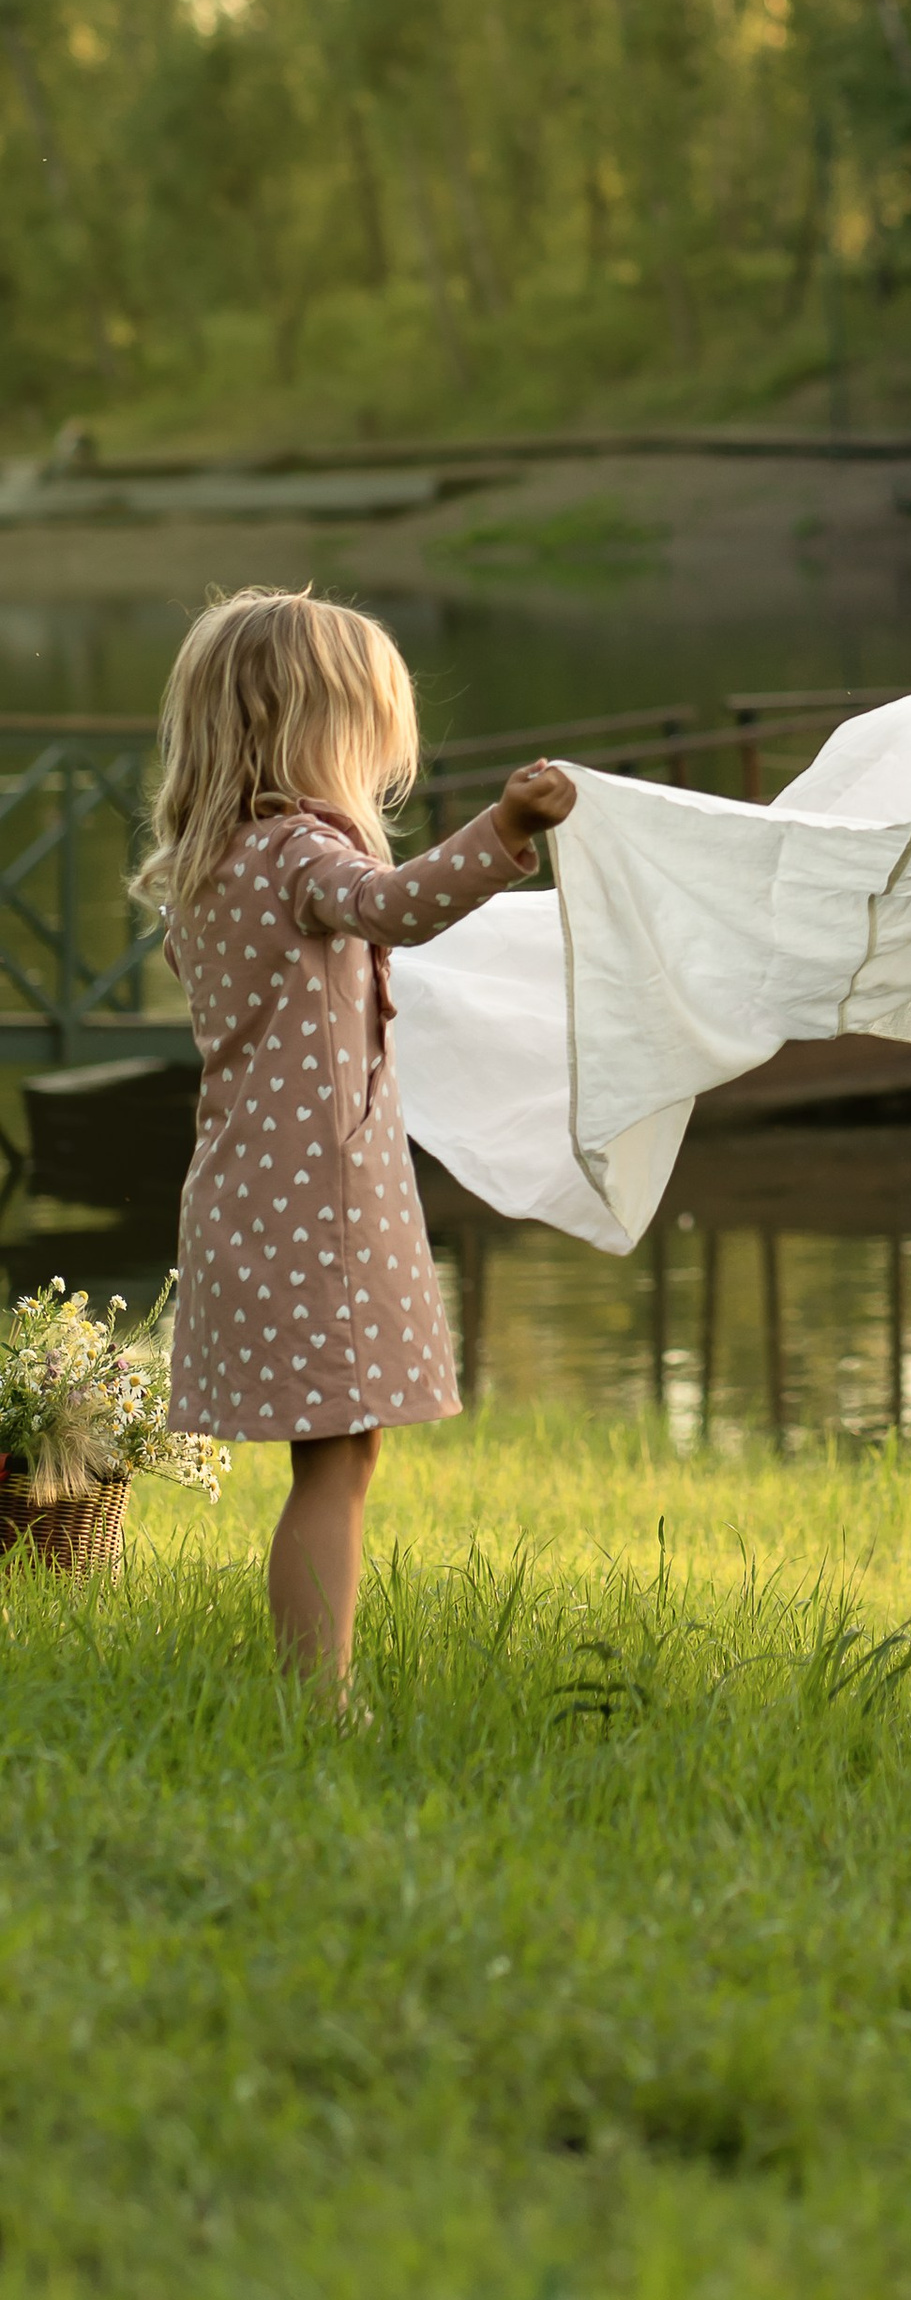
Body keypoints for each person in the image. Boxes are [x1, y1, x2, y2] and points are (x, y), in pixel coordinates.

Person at [139, 588, 577, 1688]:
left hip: (255, 1189)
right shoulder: (292, 852)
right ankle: (319, 1700)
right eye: (368, 729)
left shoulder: (214, 862)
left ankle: (315, 1687)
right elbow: (395, 906)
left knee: (342, 1450)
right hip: (314, 1205)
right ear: (307, 729)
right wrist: (508, 829)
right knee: (332, 1462)